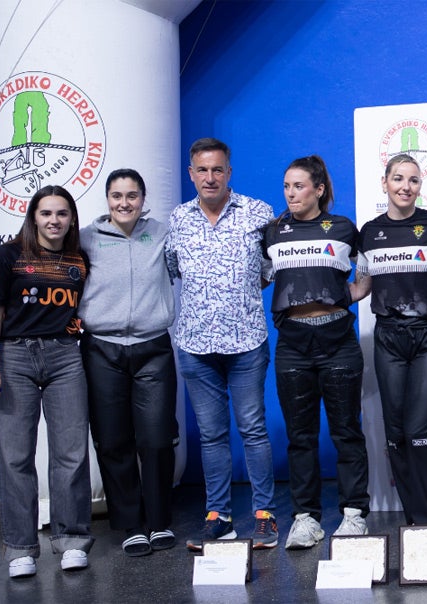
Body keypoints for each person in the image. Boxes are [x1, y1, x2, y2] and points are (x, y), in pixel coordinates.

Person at [166, 137, 278, 550]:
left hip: (247, 340)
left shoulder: (258, 213)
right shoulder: (178, 219)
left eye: (218, 170)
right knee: (212, 435)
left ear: (229, 172)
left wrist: (237, 299)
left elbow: (268, 271)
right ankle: (219, 516)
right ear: (191, 173)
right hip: (195, 343)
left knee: (252, 429)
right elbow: (174, 270)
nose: (210, 177)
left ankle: (265, 515)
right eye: (202, 170)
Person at [353, 154, 427, 525]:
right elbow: (361, 288)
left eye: (414, 180)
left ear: (421, 186)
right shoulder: (369, 233)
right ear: (384, 182)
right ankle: (417, 524)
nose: (406, 186)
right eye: (399, 179)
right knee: (397, 437)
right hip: (389, 338)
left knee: (421, 434)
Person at [0, 185, 92, 577]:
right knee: (14, 458)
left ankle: (72, 542)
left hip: (65, 356)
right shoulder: (10, 254)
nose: (54, 220)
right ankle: (21, 549)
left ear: (71, 219)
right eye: (46, 213)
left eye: (62, 213)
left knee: (71, 453)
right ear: (33, 217)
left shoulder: (81, 258)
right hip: (13, 358)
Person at [262, 156, 371, 549]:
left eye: (299, 186)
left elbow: (366, 269)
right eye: (287, 187)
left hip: (338, 340)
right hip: (292, 343)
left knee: (346, 431)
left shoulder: (342, 228)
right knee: (300, 436)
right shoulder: (273, 231)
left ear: (319, 189)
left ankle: (354, 513)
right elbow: (260, 276)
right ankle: (306, 518)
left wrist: (351, 295)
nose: (291, 193)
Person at [80, 169, 179, 556]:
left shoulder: (162, 233)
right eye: (117, 195)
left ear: (143, 198)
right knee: (113, 440)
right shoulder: (87, 238)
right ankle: (130, 524)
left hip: (153, 347)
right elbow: (48, 258)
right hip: (102, 348)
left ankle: (159, 522)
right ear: (107, 199)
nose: (125, 203)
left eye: (132, 195)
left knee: (155, 440)